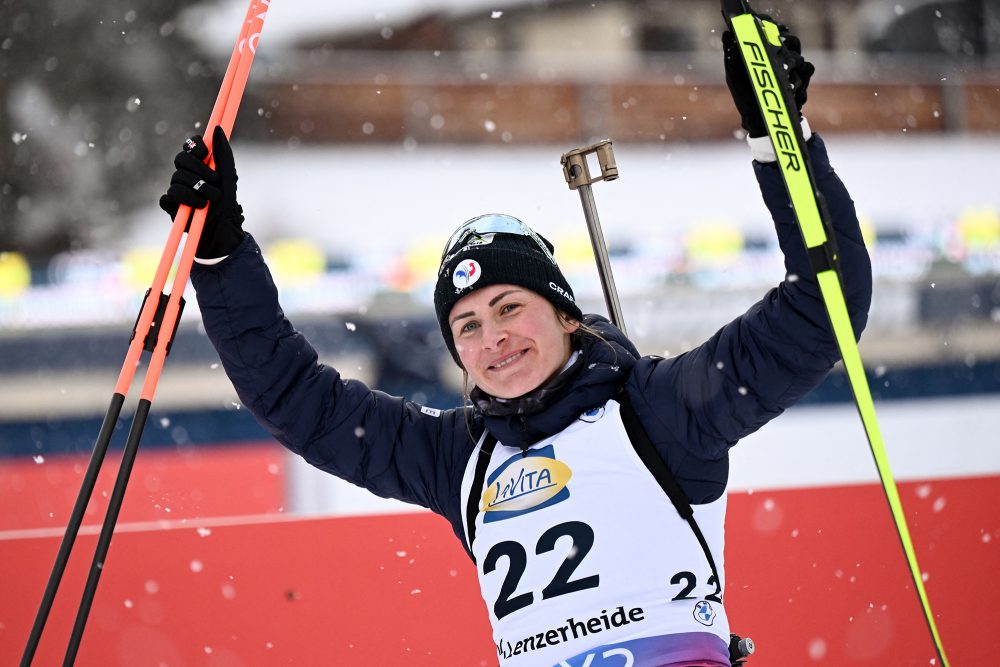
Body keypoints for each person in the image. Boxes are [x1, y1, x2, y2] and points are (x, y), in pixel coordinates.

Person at [158, 20, 871, 667]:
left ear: (566, 315)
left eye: (508, 307)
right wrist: (219, 259)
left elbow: (823, 305)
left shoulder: (661, 409)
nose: (492, 337)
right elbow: (297, 401)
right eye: (466, 325)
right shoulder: (457, 457)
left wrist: (780, 137)